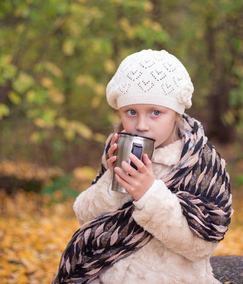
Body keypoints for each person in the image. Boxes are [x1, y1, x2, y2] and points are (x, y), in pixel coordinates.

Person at [52, 49, 233, 284]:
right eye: (131, 112)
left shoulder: (201, 161)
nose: (141, 125)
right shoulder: (117, 146)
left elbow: (200, 246)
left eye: (156, 112)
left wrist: (149, 194)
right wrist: (112, 177)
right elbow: (87, 218)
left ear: (176, 114)